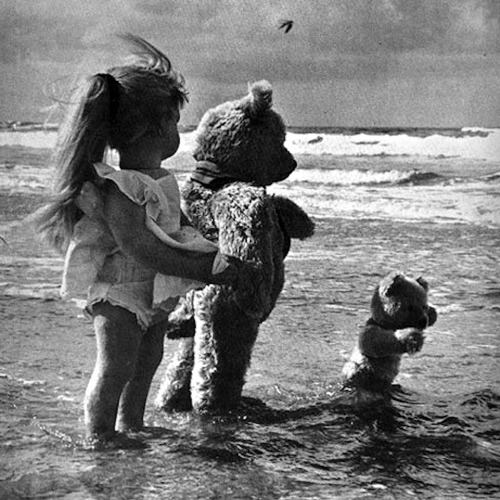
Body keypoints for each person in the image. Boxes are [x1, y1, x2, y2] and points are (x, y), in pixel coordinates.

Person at [35, 34, 239, 446]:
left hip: (152, 289)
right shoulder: (121, 186)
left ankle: (132, 422)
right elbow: (139, 246)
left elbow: (176, 227)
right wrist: (201, 268)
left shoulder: (160, 180)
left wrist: (210, 250)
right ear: (154, 127)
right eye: (175, 121)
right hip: (120, 293)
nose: (179, 130)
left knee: (148, 359)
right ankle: (99, 433)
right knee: (117, 365)